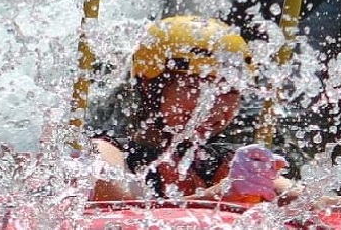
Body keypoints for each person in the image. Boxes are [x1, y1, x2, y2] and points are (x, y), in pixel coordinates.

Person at [87, 15, 294, 204]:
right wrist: (218, 196)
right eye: (196, 87)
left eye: (230, 90)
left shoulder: (223, 164)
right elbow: (126, 213)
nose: (215, 105)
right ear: (151, 88)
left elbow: (304, 198)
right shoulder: (106, 154)